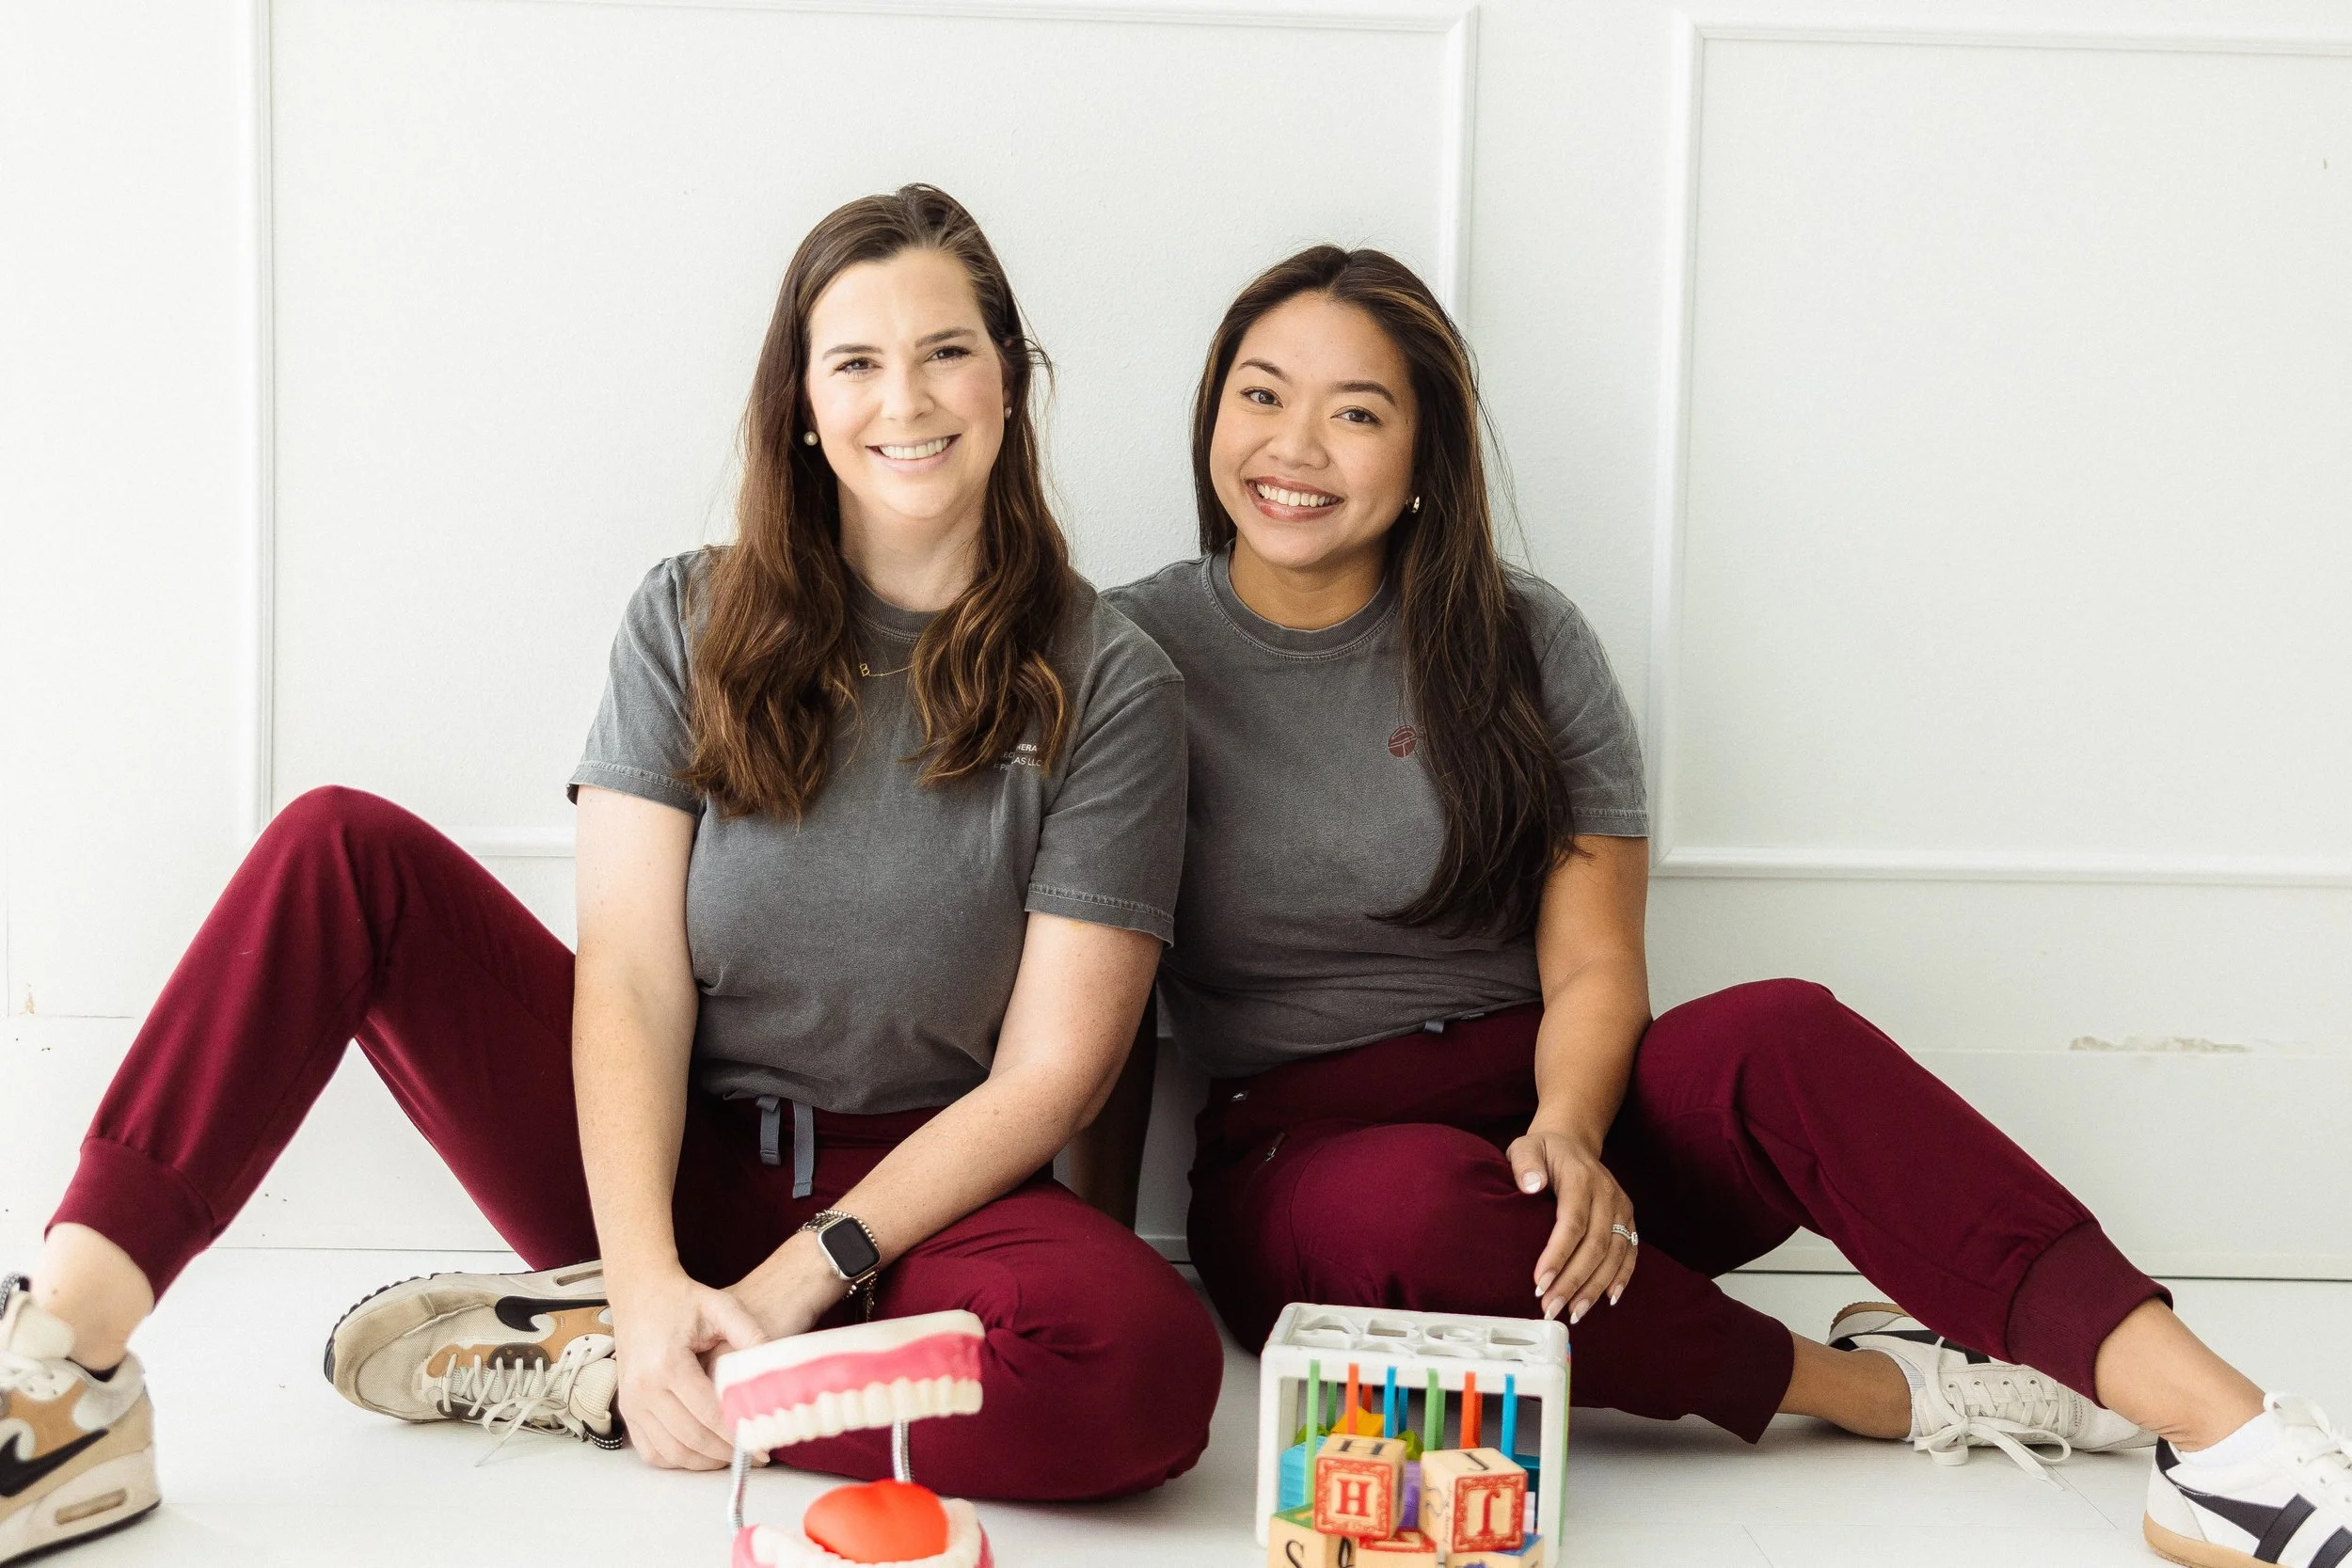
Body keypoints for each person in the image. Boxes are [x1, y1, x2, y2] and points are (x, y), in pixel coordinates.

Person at [3, 184, 1221, 1565]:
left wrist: (778, 1291)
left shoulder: (1113, 682)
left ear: (1010, 376)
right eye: (857, 362)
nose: (908, 398)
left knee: (1148, 1371)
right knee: (338, 846)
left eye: (947, 349)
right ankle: (58, 1368)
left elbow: (1051, 1074)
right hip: (659, 1160)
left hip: (919, 1204)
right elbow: (633, 978)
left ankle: (593, 1378)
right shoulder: (688, 614)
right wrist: (649, 1280)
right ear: (804, 406)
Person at [1089, 244, 2352, 1568]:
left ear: (1425, 461)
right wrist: (1101, 1243)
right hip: (1314, 1172)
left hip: (1554, 1119)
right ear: (1211, 414)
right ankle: (1888, 1386)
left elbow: (1592, 964)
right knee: (1427, 1206)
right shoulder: (1129, 658)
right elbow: (1093, 1003)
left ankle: (2227, 1443)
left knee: (1781, 1032)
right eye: (1260, 394)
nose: (1296, 446)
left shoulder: (1522, 639)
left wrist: (1569, 1131)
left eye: (1357, 411)